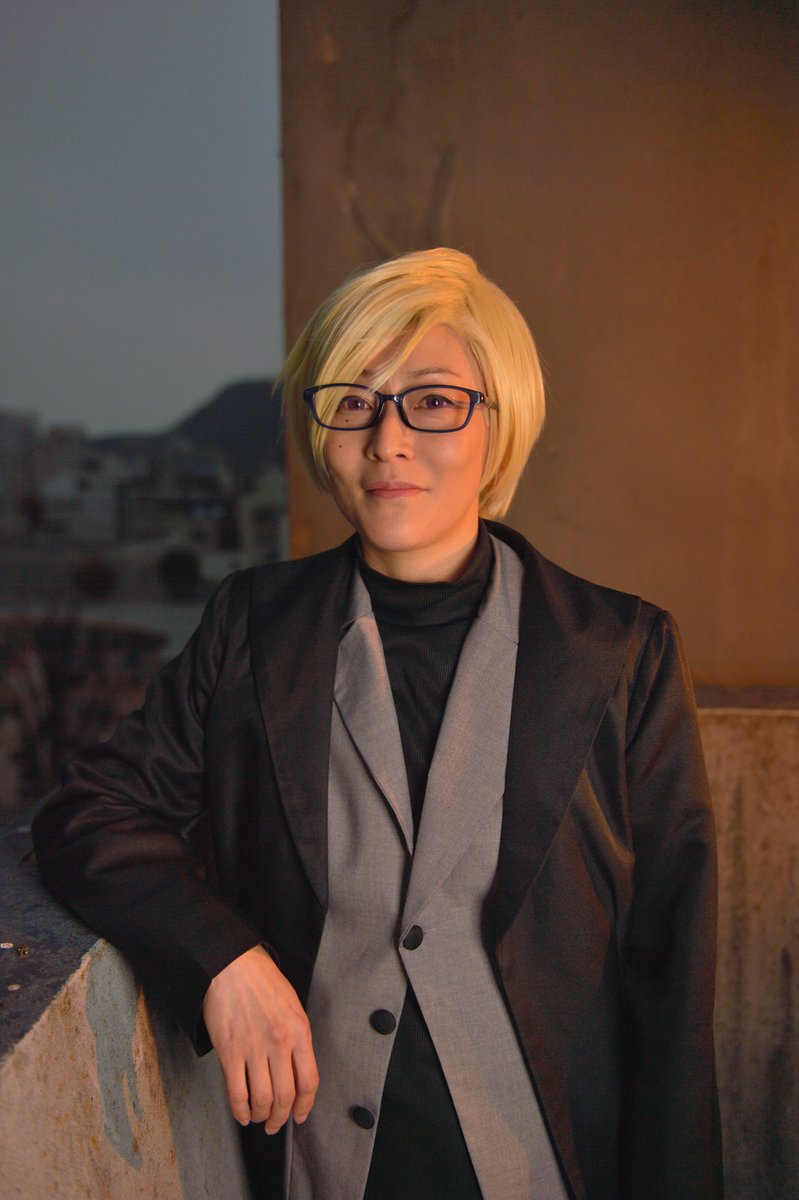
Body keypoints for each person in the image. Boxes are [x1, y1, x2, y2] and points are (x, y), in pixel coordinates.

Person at [33, 247, 723, 1200]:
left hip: (550, 1167)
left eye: (432, 401)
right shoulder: (253, 626)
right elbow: (90, 815)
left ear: (499, 424)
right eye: (353, 402)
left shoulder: (621, 650)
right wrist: (221, 956)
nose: (387, 439)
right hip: (323, 1168)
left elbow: (671, 971)